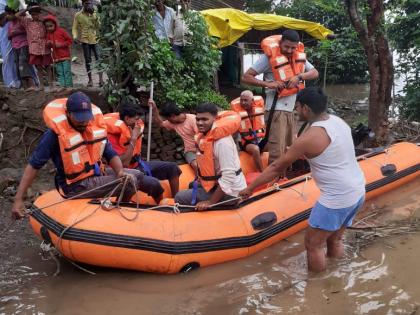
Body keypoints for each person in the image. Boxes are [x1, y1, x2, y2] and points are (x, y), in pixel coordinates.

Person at [239, 87, 366, 272]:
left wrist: (250, 189)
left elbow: (275, 167)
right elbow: (332, 152)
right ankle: (338, 277)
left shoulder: (308, 138)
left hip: (336, 198)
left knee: (313, 245)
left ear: (305, 108)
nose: (296, 110)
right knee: (335, 238)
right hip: (357, 190)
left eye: (297, 107)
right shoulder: (338, 122)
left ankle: (315, 289)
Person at [11, 92, 144, 220]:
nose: (83, 123)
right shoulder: (53, 135)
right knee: (130, 183)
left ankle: (115, 208)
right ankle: (116, 216)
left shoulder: (93, 129)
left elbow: (110, 153)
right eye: (79, 119)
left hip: (94, 175)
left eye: (86, 118)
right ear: (68, 114)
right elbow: (34, 165)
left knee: (137, 174)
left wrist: (120, 172)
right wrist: (18, 199)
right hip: (76, 186)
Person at [242, 29, 319, 165]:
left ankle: (284, 177)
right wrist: (268, 84)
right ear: (280, 43)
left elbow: (314, 72)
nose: (289, 50)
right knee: (277, 150)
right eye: (286, 47)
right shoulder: (267, 58)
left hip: (292, 110)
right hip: (275, 111)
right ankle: (274, 182)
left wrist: (299, 76)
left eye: (293, 48)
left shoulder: (298, 56)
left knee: (289, 148)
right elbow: (246, 77)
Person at [104, 102, 182, 203]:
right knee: (155, 184)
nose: (138, 122)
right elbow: (124, 164)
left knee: (173, 167)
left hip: (138, 164)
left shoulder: (132, 127)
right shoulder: (112, 136)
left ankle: (176, 202)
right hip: (125, 172)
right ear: (127, 118)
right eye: (136, 119)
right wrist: (133, 139)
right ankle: (162, 207)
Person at [175, 103, 247, 210]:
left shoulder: (222, 142)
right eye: (198, 119)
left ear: (215, 118)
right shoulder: (206, 136)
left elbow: (229, 176)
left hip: (232, 192)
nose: (200, 123)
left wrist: (210, 202)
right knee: (191, 185)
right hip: (217, 184)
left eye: (204, 119)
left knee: (179, 197)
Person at [149, 100, 198, 173]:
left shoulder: (193, 120)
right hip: (190, 151)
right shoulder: (172, 123)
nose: (167, 121)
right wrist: (155, 109)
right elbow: (160, 123)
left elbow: (202, 137)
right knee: (195, 165)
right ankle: (200, 181)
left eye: (168, 119)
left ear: (173, 116)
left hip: (202, 149)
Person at [16, 3, 54, 91]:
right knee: (39, 67)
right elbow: (16, 16)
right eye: (33, 14)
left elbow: (53, 14)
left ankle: (52, 86)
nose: (35, 16)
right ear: (30, 14)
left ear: (40, 14)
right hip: (34, 48)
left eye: (37, 14)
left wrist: (42, 8)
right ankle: (41, 86)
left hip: (45, 48)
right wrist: (27, 9)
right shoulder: (27, 22)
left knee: (48, 66)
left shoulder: (44, 21)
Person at [231, 90, 265, 172]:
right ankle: (262, 172)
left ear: (252, 101)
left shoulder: (260, 109)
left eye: (246, 100)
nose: (243, 102)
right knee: (256, 149)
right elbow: (234, 134)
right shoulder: (237, 115)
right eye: (241, 100)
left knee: (275, 146)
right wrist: (234, 151)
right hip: (246, 143)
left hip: (260, 139)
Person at [72, 0, 103, 87]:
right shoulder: (78, 15)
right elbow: (74, 28)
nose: (89, 5)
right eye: (87, 3)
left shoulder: (94, 13)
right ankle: (90, 80)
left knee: (99, 59)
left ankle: (101, 80)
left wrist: (95, 17)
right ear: (83, 4)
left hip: (95, 39)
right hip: (85, 40)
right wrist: (75, 37)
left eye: (90, 3)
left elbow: (98, 26)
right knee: (88, 60)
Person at [5, 5, 36, 90]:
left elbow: (27, 30)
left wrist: (16, 31)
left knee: (23, 63)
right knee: (18, 64)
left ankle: (31, 84)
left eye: (9, 14)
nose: (7, 16)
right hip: (15, 47)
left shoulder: (21, 20)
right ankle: (25, 86)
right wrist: (12, 33)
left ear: (15, 13)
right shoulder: (10, 24)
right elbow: (8, 36)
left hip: (24, 45)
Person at [44, 15, 73, 88]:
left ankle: (69, 87)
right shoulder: (48, 34)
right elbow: (48, 45)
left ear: (55, 24)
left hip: (65, 56)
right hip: (56, 58)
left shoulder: (61, 31)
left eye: (51, 26)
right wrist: (48, 44)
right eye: (47, 27)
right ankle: (63, 86)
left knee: (66, 72)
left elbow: (70, 41)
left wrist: (61, 44)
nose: (49, 28)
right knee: (60, 72)